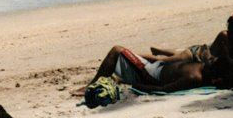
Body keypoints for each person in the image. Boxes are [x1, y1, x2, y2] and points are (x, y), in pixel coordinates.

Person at [75, 45, 216, 94]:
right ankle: (109, 78)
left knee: (117, 50)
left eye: (213, 61)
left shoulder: (194, 77)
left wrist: (131, 85)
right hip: (157, 67)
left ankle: (91, 86)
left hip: (149, 73)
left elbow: (163, 89)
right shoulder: (202, 66)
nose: (212, 60)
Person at [147, 12, 233, 64]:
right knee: (161, 61)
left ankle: (159, 50)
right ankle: (138, 56)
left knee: (178, 53)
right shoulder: (224, 36)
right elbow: (227, 60)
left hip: (201, 51)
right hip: (196, 55)